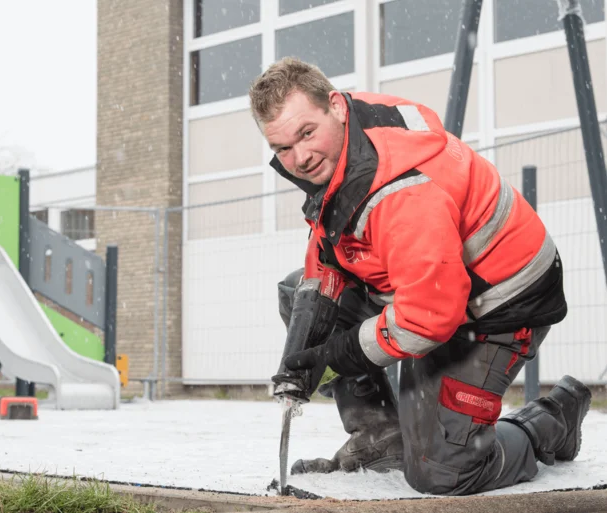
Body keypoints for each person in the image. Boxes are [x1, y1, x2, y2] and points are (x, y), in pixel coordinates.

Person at [249, 57, 592, 496]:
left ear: (334, 105)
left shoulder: (402, 191)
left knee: (443, 471)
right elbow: (331, 241)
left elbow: (428, 318)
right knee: (301, 295)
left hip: (500, 301)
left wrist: (336, 355)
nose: (299, 158)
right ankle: (380, 441)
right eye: (282, 148)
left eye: (306, 134)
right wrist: (310, 324)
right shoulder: (343, 138)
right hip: (434, 279)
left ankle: (550, 422)